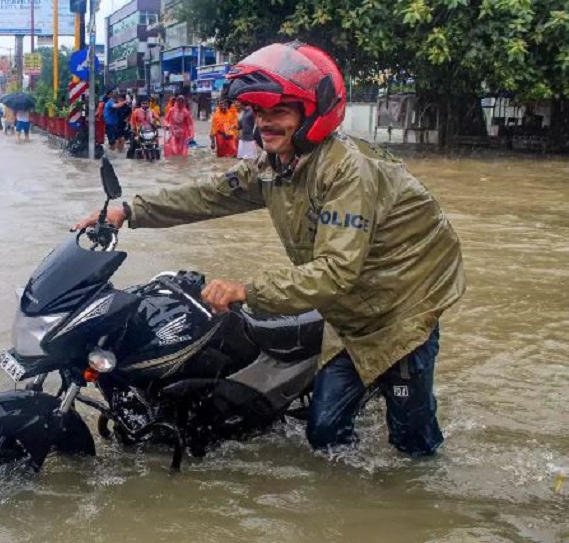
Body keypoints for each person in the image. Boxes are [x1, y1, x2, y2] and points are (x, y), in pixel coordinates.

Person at [73, 42, 465, 457]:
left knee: (413, 444)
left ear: (312, 115)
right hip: (346, 309)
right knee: (325, 432)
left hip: (402, 305)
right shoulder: (272, 166)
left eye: (278, 113)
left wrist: (247, 291)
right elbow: (207, 195)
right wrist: (128, 211)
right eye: (258, 113)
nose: (264, 124)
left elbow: (334, 272)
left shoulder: (349, 173)